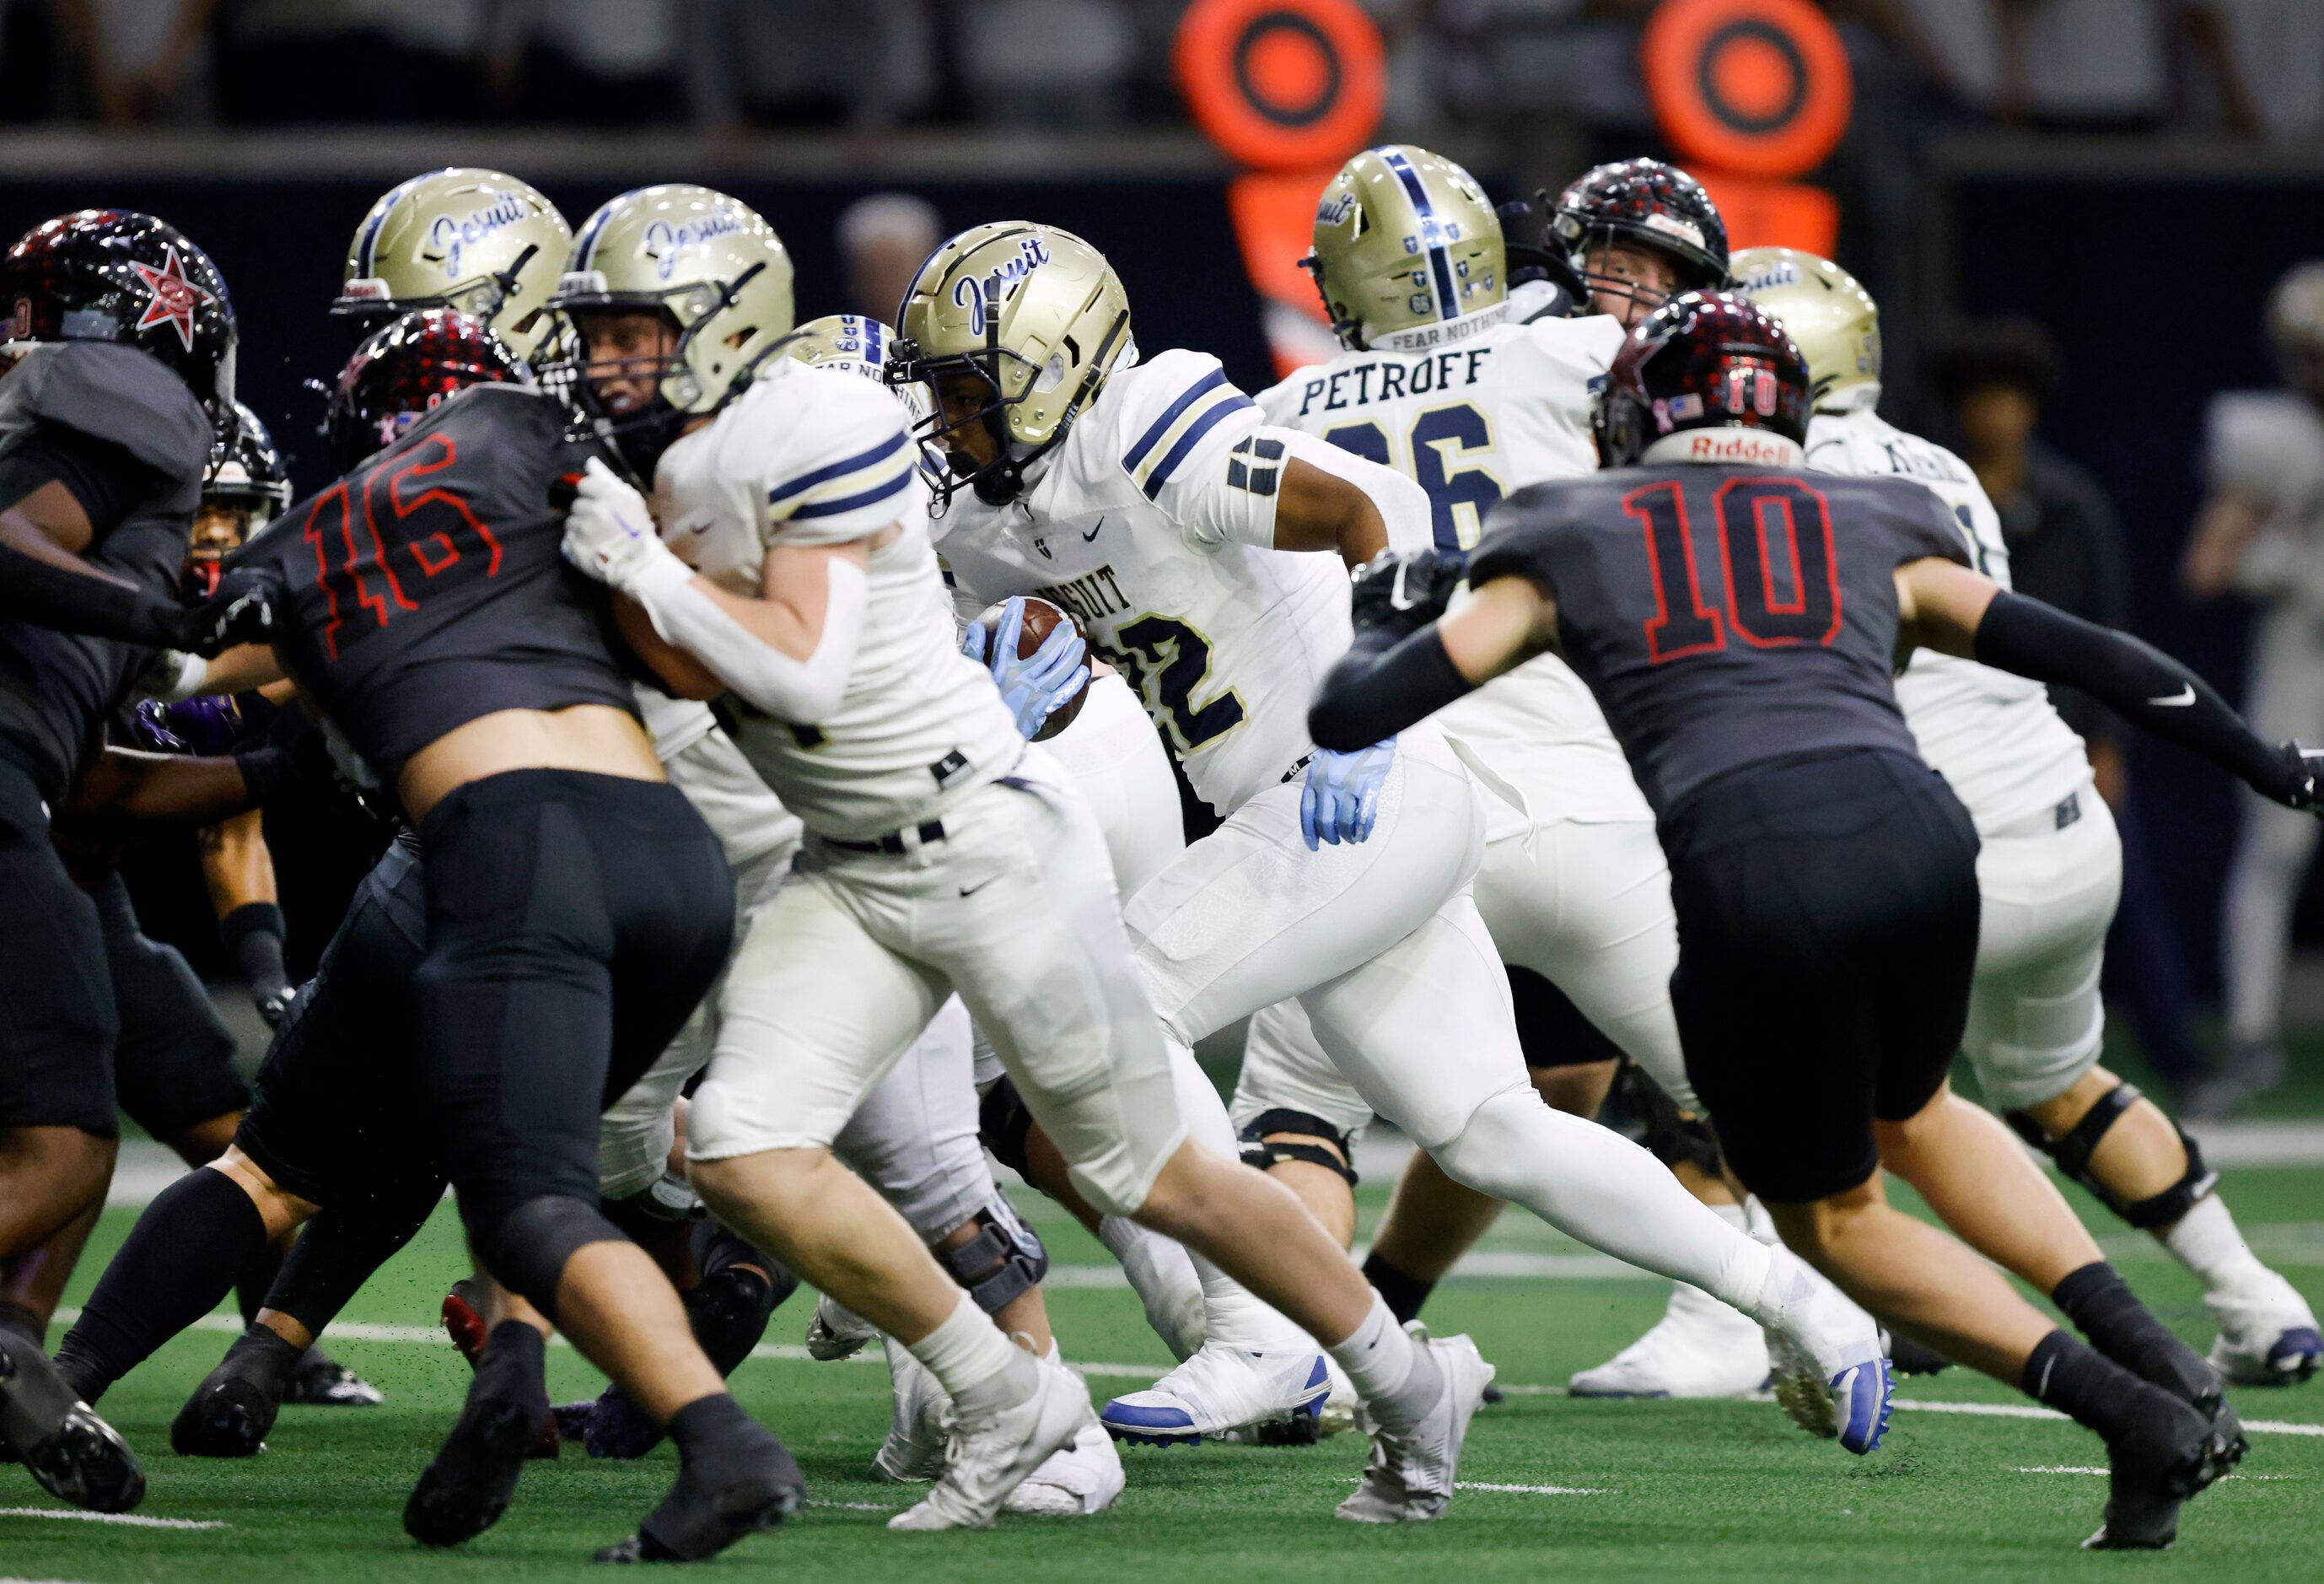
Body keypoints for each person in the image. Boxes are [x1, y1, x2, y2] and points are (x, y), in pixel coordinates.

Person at [551, 184, 1491, 1529]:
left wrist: (638, 572)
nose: (606, 364)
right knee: (749, 1148)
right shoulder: (733, 472)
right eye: (600, 335)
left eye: (637, 333)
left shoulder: (814, 429)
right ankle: (1010, 1398)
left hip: (978, 841)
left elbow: (804, 665)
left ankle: (1406, 1381)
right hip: (849, 864)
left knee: (1146, 1163)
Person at [1305, 289, 2301, 1549]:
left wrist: (1383, 621)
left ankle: (2134, 1413)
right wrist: (2269, 762)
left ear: (1629, 414)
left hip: (1750, 857)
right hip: (1928, 841)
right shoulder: (1875, 513)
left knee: (1835, 1216)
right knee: (1920, 1109)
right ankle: (2160, 1350)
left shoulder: (1569, 525)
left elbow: (1358, 716)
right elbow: (2096, 653)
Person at [899, 220, 1888, 1455]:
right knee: (1489, 1123)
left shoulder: (1144, 425)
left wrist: (1375, 694)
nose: (949, 421)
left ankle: (1265, 1337)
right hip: (1325, 820)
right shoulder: (990, 514)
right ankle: (1809, 1306)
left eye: (964, 389)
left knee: (1110, 1008)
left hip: (1353, 785)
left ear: (1055, 363)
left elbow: (1378, 502)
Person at [205, 306, 799, 1560]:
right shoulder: (548, 449)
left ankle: (721, 1437)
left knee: (529, 1191)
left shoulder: (315, 539)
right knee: (525, 1158)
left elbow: (176, 678)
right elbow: (689, 653)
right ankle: (521, 1378)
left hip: (519, 855)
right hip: (677, 860)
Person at [1249, 148, 1782, 1401]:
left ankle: (1303, 1354)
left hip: (1388, 805)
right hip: (1594, 795)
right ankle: (1822, 1292)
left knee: (1296, 1103)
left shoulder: (1280, 411)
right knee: (1743, 1072)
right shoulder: (1587, 358)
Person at [1749, 252, 2319, 1389]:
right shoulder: (1941, 464)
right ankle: (2256, 1298)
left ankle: (1884, 1315)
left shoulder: (1768, 481)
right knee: (2060, 1085)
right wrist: (2257, 755)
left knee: (1805, 1089)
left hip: (1926, 847)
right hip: (2056, 822)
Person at [0, 208, 271, 1514]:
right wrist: (171, 611)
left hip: (29, 796)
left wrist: (289, 765)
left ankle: (13, 1351)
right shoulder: (131, 416)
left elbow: (103, 768)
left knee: (67, 1101)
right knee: (62, 1135)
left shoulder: (45, 408)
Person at [2182, 261, 2324, 1107]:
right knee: (2272, 850)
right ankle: (2249, 1035)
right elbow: (2205, 566)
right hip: (2301, 658)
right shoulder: (2267, 438)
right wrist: (2275, 564)